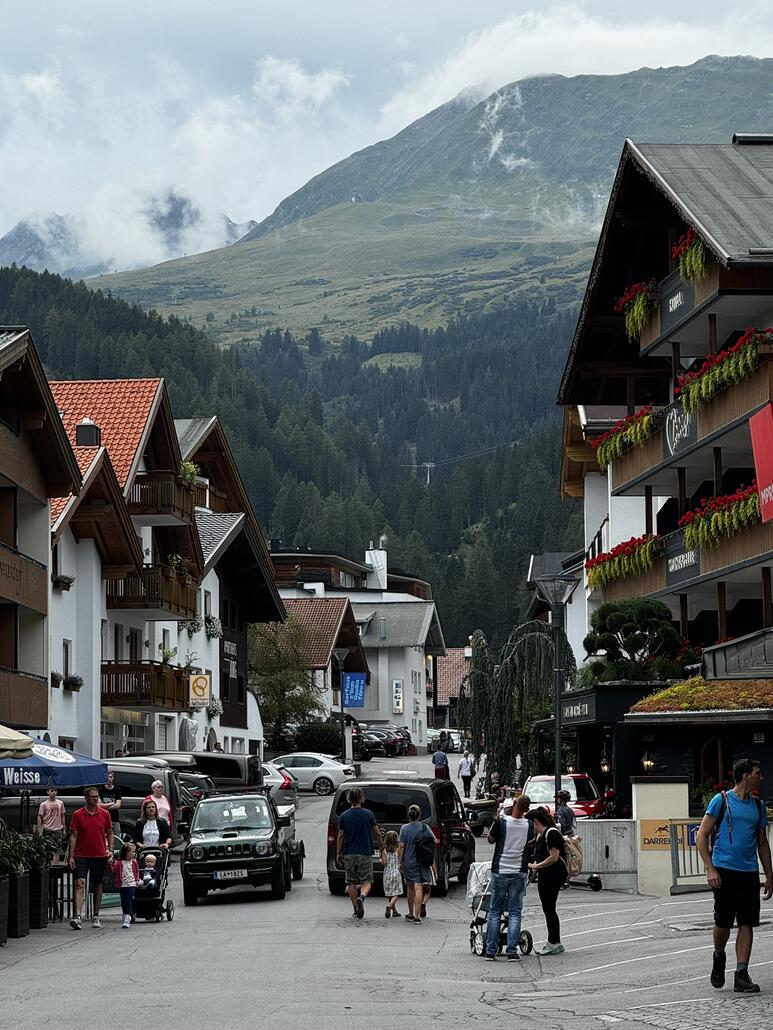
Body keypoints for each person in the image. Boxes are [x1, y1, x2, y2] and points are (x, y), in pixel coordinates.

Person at [696, 757, 773, 993]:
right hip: (724, 869)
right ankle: (719, 956)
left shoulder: (758, 806)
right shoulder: (722, 800)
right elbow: (701, 836)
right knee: (723, 922)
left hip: (748, 872)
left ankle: (742, 974)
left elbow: (762, 842)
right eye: (758, 773)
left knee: (747, 922)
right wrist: (710, 868)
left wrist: (769, 875)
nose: (761, 777)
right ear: (745, 775)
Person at [484, 794, 533, 962]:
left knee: (495, 911)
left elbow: (490, 840)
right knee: (515, 913)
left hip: (501, 869)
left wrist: (496, 819)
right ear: (527, 809)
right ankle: (512, 951)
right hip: (519, 870)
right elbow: (529, 844)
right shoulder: (529, 825)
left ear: (514, 803)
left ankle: (490, 950)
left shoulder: (502, 823)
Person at [67, 786, 114, 930]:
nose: (95, 799)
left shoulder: (105, 814)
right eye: (92, 796)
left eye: (96, 796)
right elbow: (73, 835)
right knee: (80, 882)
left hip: (99, 854)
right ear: (86, 798)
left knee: (97, 885)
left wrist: (110, 850)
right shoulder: (78, 814)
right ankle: (77, 916)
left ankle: (96, 914)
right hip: (82, 854)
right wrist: (71, 856)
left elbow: (110, 833)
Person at [336, 786, 385, 919]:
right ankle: (362, 898)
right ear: (361, 798)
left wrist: (338, 853)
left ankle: (355, 907)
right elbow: (377, 832)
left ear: (349, 799)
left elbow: (340, 836)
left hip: (349, 853)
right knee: (367, 881)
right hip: (365, 852)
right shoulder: (368, 814)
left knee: (351, 882)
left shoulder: (344, 816)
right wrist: (381, 846)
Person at [528, 807, 568, 955]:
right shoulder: (540, 836)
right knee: (548, 908)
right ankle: (553, 941)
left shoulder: (551, 833)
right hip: (545, 875)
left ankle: (554, 942)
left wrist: (536, 866)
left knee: (549, 908)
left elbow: (554, 857)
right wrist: (535, 870)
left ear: (536, 822)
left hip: (554, 874)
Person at [398, 804, 435, 924]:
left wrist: (400, 862)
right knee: (419, 887)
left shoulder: (404, 828)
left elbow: (401, 846)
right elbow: (433, 841)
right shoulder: (425, 828)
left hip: (409, 860)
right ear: (419, 815)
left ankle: (410, 912)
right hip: (423, 860)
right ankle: (417, 915)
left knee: (410, 887)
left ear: (409, 815)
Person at [110, 841, 139, 929]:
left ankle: (127, 917)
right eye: (132, 852)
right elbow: (113, 870)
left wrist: (137, 880)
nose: (134, 854)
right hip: (123, 885)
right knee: (123, 901)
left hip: (131, 884)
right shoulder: (119, 863)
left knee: (128, 900)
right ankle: (126, 913)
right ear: (126, 853)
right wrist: (111, 863)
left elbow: (136, 872)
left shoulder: (134, 862)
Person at [37, 786, 66, 863]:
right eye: (52, 790)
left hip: (57, 828)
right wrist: (39, 830)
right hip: (47, 828)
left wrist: (64, 828)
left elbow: (63, 815)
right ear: (48, 792)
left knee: (57, 848)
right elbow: (40, 816)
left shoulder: (60, 803)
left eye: (55, 790)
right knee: (46, 848)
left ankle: (55, 865)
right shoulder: (43, 804)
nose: (54, 792)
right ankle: (47, 864)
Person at [382, 830, 403, 918]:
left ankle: (394, 911)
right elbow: (400, 860)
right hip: (396, 873)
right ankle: (390, 907)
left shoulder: (385, 850)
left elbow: (384, 862)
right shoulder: (398, 850)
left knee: (390, 893)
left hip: (387, 874)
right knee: (396, 894)